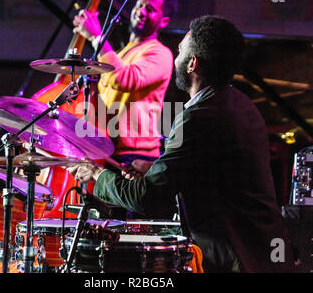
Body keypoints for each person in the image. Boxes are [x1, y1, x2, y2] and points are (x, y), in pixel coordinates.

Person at [68, 15, 296, 273]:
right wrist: (155, 167)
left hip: (238, 259)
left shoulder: (198, 116)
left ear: (192, 64)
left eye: (180, 50)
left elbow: (147, 199)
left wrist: (97, 175)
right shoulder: (240, 104)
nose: (176, 53)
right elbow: (211, 172)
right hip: (265, 253)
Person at [72, 0, 178, 166]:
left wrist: (97, 37)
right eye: (139, 4)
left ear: (164, 21)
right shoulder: (120, 54)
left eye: (150, 9)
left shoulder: (160, 53)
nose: (141, 11)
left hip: (136, 157)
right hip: (107, 150)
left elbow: (124, 79)